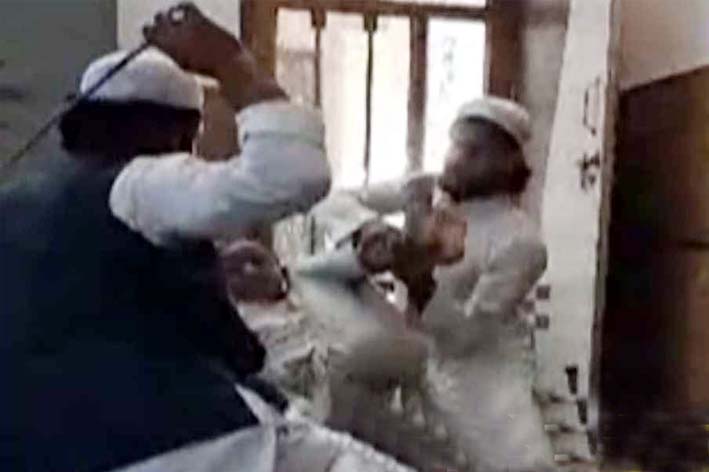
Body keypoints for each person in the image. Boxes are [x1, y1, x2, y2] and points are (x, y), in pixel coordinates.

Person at [0, 4, 330, 471]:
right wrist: (230, 61)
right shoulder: (139, 183)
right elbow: (294, 172)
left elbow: (87, 304)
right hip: (167, 444)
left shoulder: (19, 203)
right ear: (176, 135)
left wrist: (196, 276)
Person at [354, 97, 556, 472]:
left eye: (472, 152)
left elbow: (466, 338)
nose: (454, 160)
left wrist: (420, 282)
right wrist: (369, 230)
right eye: (454, 145)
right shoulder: (425, 195)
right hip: (413, 364)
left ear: (505, 164)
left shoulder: (520, 241)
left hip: (482, 377)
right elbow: (343, 201)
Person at [226, 191, 468, 471]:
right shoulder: (239, 329)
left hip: (370, 353)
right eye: (235, 271)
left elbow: (359, 260)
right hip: (324, 404)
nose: (248, 272)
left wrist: (374, 243)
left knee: (348, 380)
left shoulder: (305, 273)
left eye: (255, 262)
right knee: (349, 409)